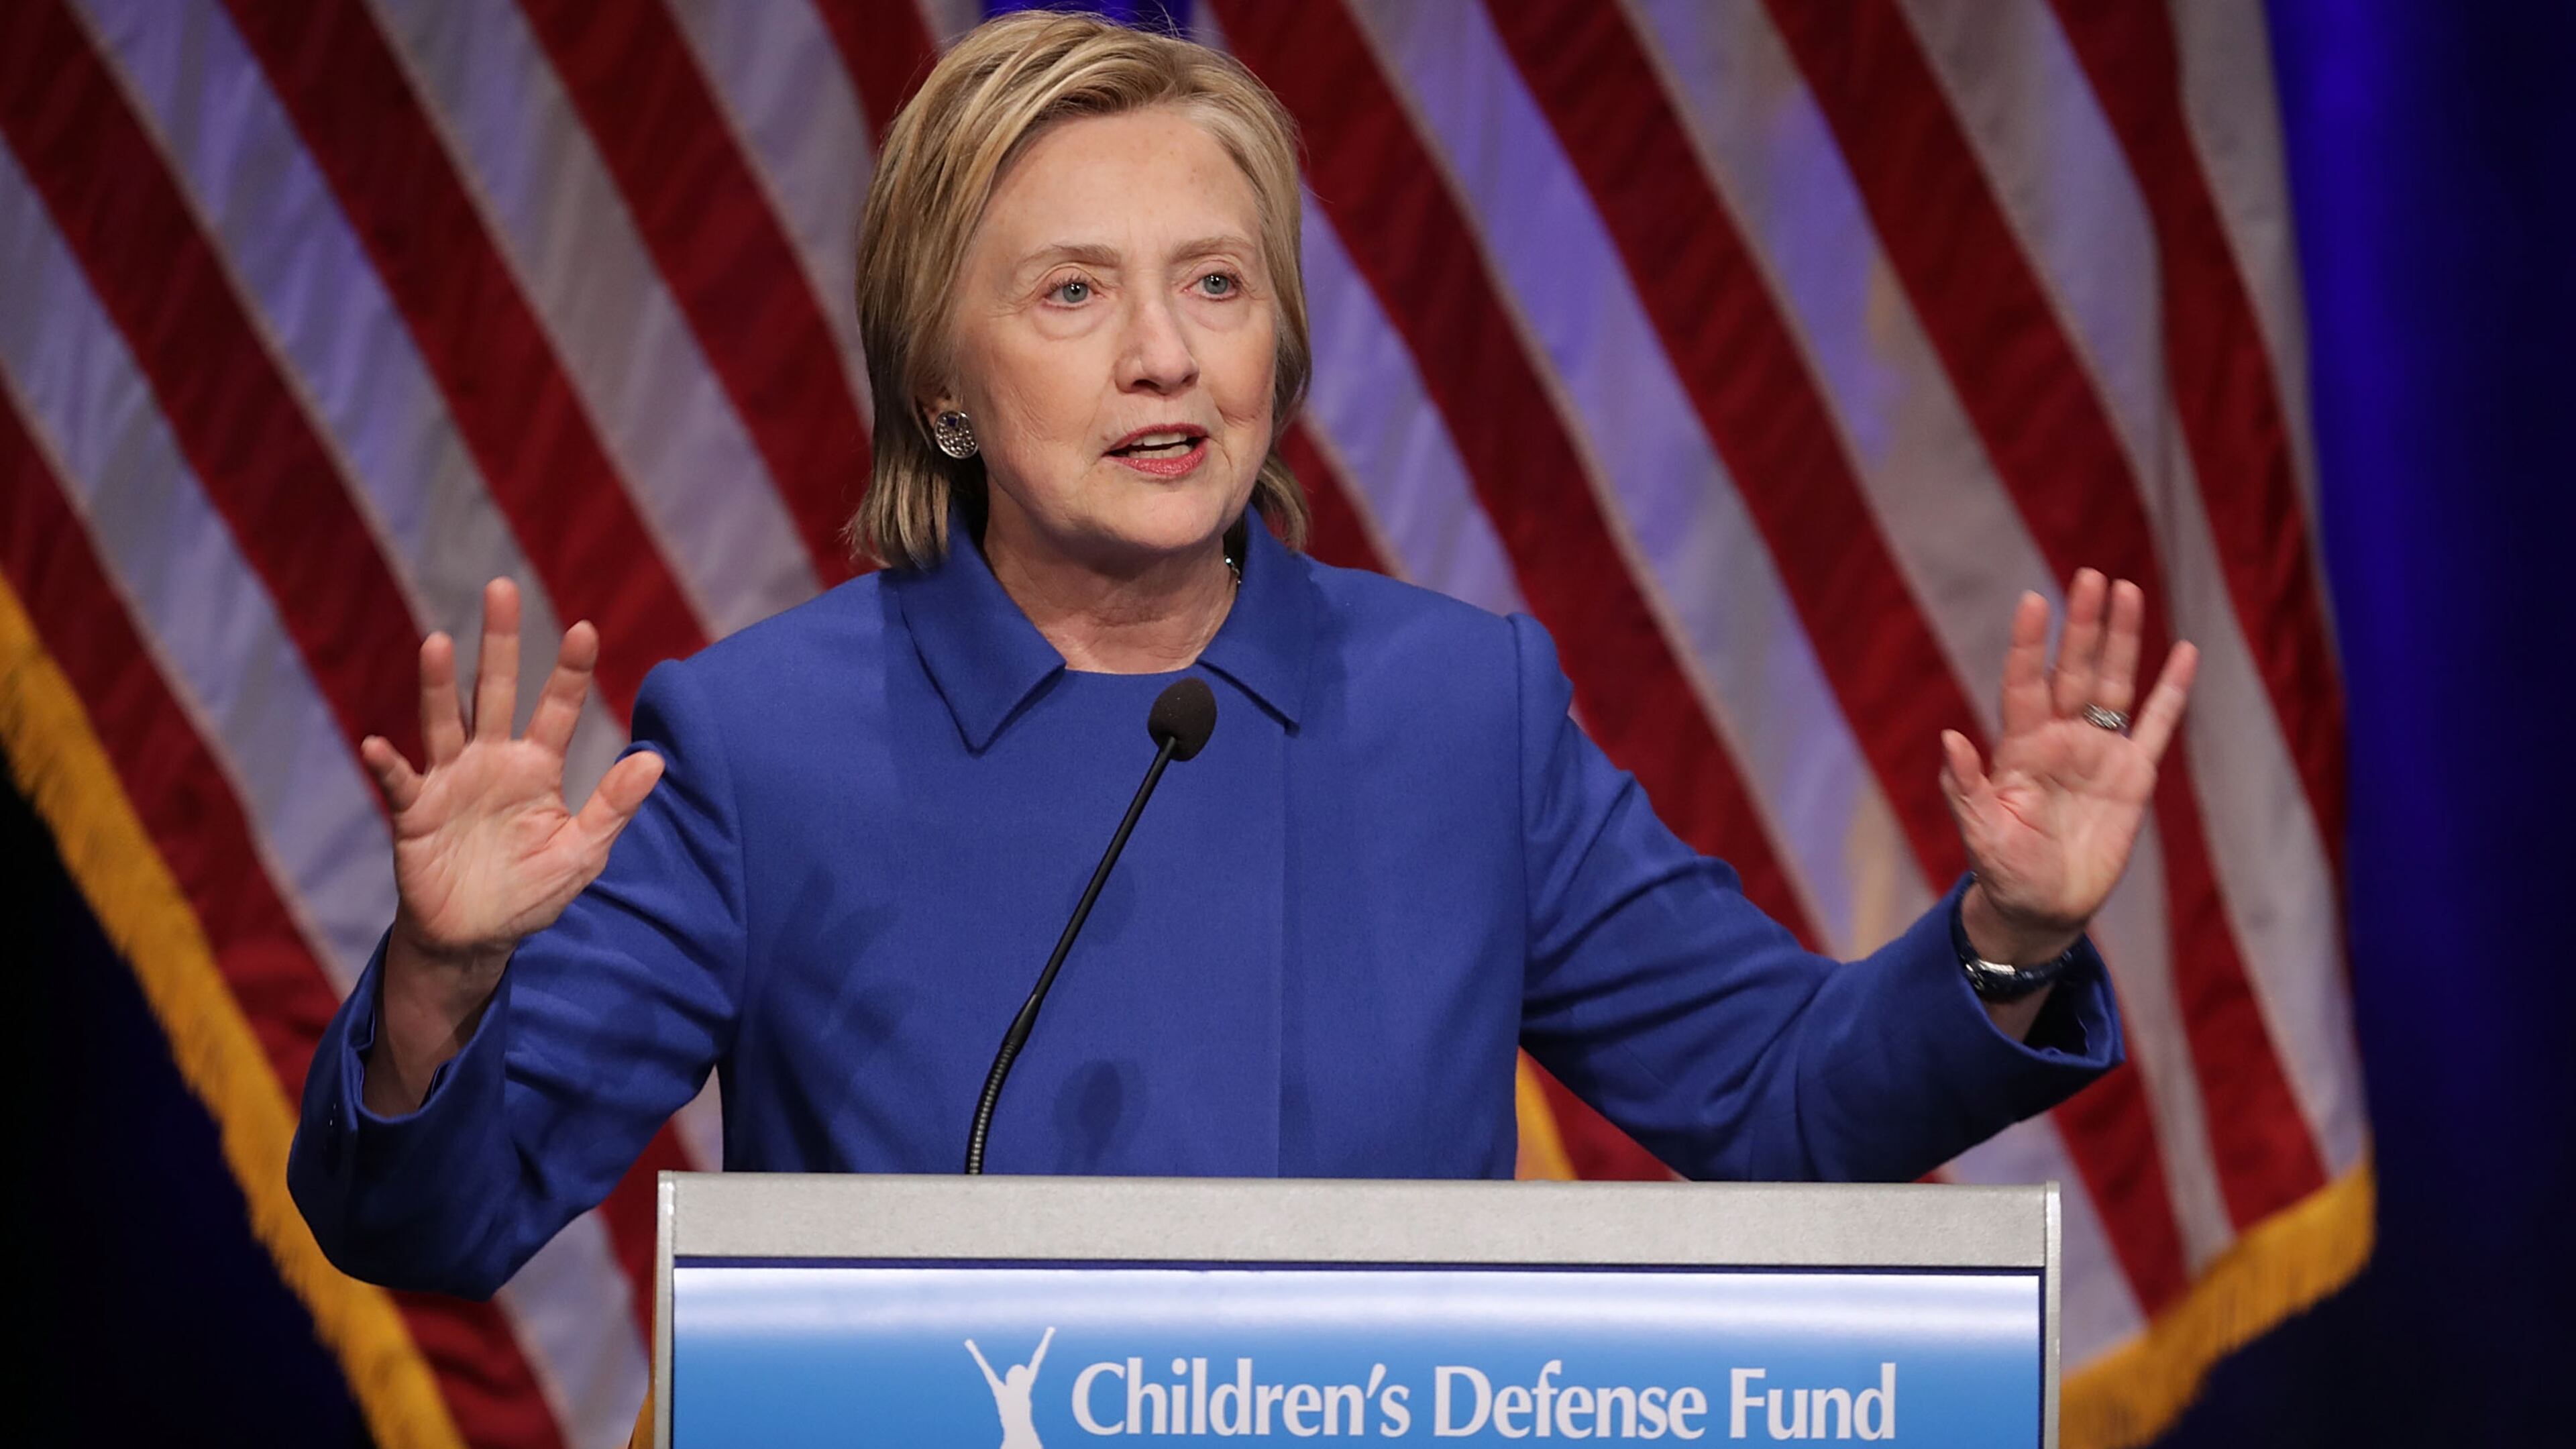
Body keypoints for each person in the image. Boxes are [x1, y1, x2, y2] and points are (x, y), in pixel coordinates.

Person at [288, 13, 2198, 1299]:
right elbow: (438, 1226)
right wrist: (448, 984)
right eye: (1072, 294)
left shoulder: (1462, 711)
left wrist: (2007, 940)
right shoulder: (767, 746)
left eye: (1215, 283)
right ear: (943, 386)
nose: (1165, 357)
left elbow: (1783, 1104)